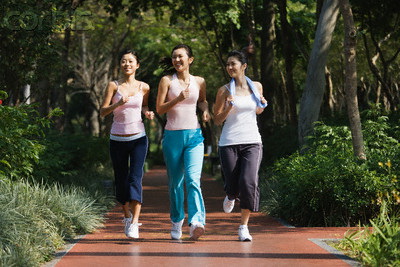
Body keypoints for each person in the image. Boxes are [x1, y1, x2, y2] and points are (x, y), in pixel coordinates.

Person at [156, 44, 210, 241]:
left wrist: (205, 110)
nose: (177, 60)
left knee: (193, 180)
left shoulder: (199, 81)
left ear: (190, 60)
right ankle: (177, 221)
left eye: (181, 57)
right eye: (174, 57)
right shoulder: (166, 81)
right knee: (175, 184)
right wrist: (178, 98)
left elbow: (202, 100)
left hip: (194, 136)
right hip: (173, 137)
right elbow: (160, 109)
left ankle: (197, 222)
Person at [213, 50, 267, 241]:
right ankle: (230, 195)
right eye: (227, 64)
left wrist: (262, 104)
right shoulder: (224, 91)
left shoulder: (256, 86)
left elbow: (257, 111)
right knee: (233, 184)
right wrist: (228, 108)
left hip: (252, 141)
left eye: (233, 63)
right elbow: (217, 120)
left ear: (243, 66)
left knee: (248, 180)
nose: (229, 67)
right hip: (229, 142)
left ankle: (243, 226)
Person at [100, 49, 154, 239]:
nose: (127, 64)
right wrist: (118, 104)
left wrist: (148, 113)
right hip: (117, 139)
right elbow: (103, 112)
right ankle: (126, 215)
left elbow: (145, 105)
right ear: (120, 65)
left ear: (137, 65)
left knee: (135, 178)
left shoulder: (144, 87)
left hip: (138, 138)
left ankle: (134, 223)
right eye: (124, 61)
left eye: (131, 61)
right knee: (121, 180)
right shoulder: (113, 86)